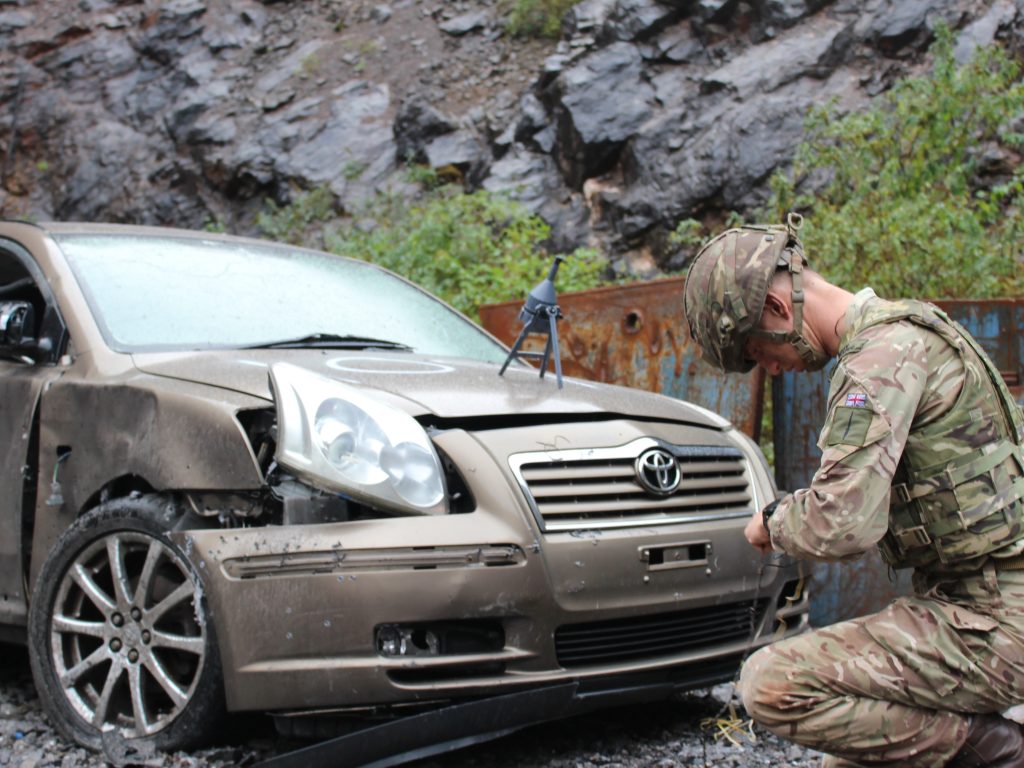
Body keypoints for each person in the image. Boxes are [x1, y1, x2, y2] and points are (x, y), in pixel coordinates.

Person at [682, 213, 1024, 767]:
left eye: (756, 352)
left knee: (771, 684)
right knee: (853, 756)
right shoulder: (912, 328)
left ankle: (998, 753)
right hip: (971, 605)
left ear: (778, 309)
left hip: (992, 623)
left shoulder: (877, 362)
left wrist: (772, 522)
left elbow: (843, 522)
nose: (768, 369)